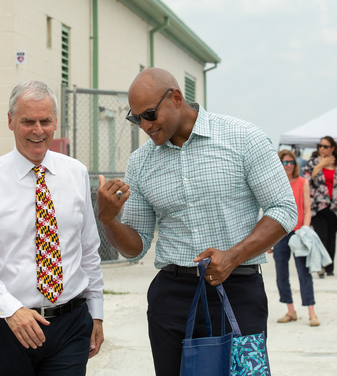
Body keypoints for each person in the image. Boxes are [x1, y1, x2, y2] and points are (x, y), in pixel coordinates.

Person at [96, 68, 298, 376]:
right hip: (172, 299)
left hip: (238, 291)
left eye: (150, 114)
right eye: (136, 118)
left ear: (176, 98)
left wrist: (234, 255)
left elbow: (284, 208)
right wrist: (109, 220)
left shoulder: (243, 137)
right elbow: (135, 247)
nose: (145, 126)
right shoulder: (140, 163)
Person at [0, 81, 104, 376]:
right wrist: (10, 308)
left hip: (71, 324)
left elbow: (88, 249)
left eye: (45, 121)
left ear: (55, 123)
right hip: (10, 326)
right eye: (28, 121)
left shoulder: (75, 173)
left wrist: (96, 314)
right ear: (11, 121)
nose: (38, 130)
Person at [271, 150, 319, 327]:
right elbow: (271, 210)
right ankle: (290, 310)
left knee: (303, 272)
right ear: (279, 164)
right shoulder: (276, 184)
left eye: (291, 162)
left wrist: (305, 229)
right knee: (281, 274)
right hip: (281, 233)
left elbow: (307, 209)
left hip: (299, 232)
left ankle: (311, 312)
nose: (288, 165)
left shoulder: (303, 182)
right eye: (284, 162)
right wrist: (269, 240)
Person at [302, 136, 337, 278]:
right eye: (320, 146)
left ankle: (329, 266)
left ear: (332, 148)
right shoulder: (313, 162)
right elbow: (306, 181)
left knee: (332, 237)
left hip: (335, 206)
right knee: (321, 236)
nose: (322, 149)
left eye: (325, 146)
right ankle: (320, 266)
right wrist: (321, 165)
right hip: (318, 205)